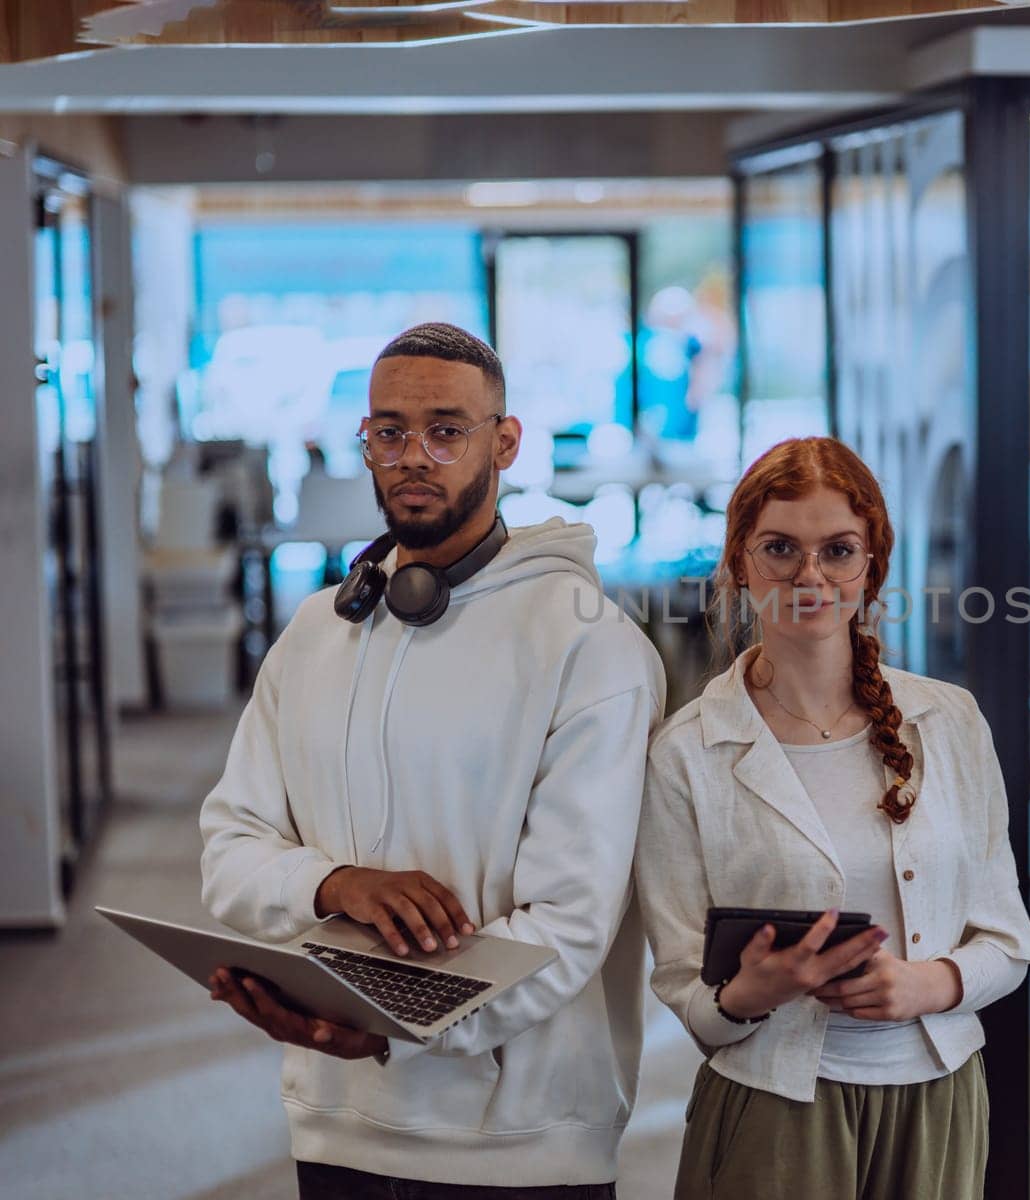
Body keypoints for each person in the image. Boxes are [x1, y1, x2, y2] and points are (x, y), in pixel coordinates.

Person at [198, 323, 666, 1199]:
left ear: (507, 441)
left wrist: (379, 1026)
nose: (415, 456)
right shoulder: (313, 634)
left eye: (447, 431)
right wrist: (334, 883)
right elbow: (229, 849)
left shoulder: (589, 645)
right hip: (336, 1123)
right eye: (389, 432)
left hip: (521, 1144)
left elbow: (566, 927)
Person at [634, 436, 1030, 1200]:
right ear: (740, 564)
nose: (809, 576)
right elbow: (689, 993)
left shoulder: (949, 723)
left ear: (871, 568)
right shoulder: (686, 753)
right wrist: (749, 993)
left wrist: (929, 985)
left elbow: (1009, 942)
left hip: (939, 1099)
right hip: (774, 1108)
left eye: (838, 551)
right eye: (780, 548)